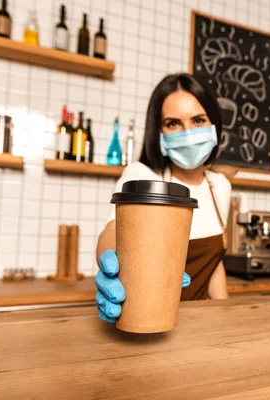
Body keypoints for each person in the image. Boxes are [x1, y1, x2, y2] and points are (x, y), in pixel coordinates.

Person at [94, 73, 232, 323]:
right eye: (173, 124)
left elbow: (213, 266)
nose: (188, 134)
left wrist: (224, 316)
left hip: (200, 327)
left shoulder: (220, 186)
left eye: (198, 120)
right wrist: (111, 262)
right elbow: (113, 231)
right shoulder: (142, 176)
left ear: (214, 125)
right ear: (158, 131)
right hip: (148, 322)